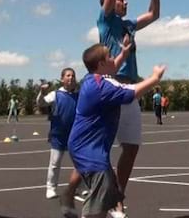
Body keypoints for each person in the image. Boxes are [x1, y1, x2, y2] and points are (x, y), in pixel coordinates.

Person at [97, 0, 160, 218]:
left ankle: (116, 195)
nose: (125, 2)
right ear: (109, 3)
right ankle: (103, 193)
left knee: (132, 147)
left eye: (125, 0)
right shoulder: (107, 21)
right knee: (101, 149)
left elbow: (155, 14)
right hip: (110, 87)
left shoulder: (130, 25)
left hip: (130, 91)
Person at [68, 43, 166, 218]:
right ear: (101, 64)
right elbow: (131, 93)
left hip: (88, 149)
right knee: (95, 208)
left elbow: (111, 69)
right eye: (110, 56)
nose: (114, 59)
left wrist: (124, 54)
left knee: (110, 192)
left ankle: (114, 209)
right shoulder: (101, 88)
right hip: (90, 153)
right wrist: (155, 78)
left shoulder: (92, 79)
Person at [36, 67, 82, 214]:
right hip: (58, 135)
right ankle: (51, 188)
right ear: (62, 79)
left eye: (73, 75)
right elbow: (41, 103)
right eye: (68, 75)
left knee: (80, 163)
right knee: (55, 163)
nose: (71, 78)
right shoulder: (55, 94)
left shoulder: (79, 95)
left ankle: (81, 187)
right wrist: (42, 92)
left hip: (75, 135)